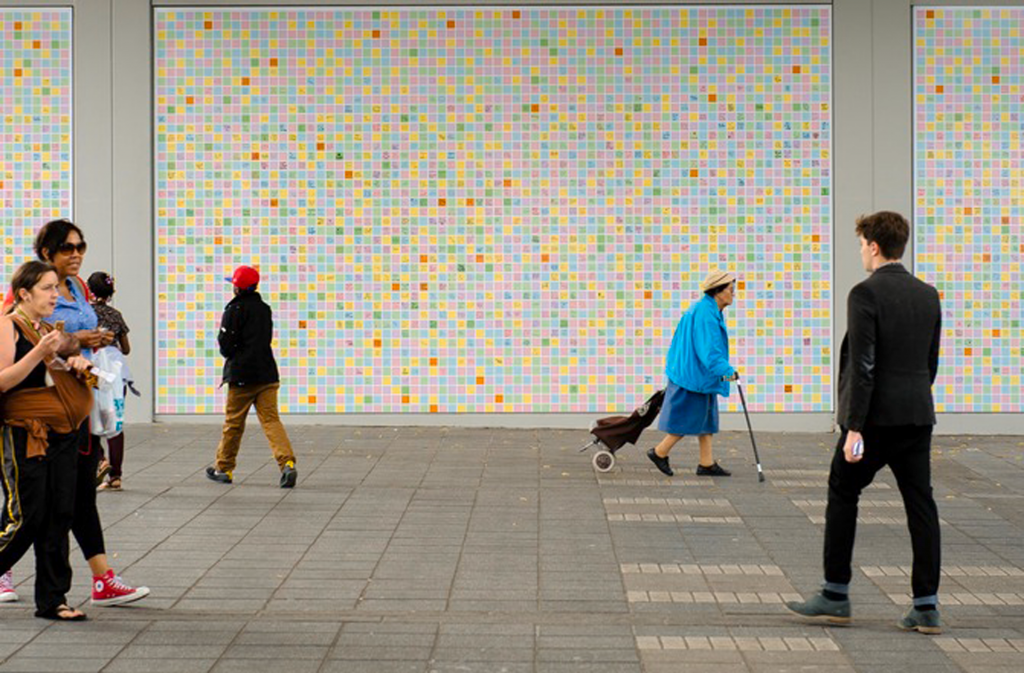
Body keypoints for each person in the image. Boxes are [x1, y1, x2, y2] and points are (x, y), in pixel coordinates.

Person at [785, 211, 943, 634]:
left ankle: (835, 594)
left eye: (860, 244)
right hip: (917, 416)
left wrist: (854, 427)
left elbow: (863, 366)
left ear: (874, 245)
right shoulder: (929, 295)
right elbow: (931, 361)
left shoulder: (864, 294)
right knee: (921, 506)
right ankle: (926, 606)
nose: (860, 251)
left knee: (842, 491)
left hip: (873, 421)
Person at [28, 219, 149, 606]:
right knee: (38, 501)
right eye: (67, 248)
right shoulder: (37, 289)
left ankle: (101, 580)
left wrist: (91, 344)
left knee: (79, 496)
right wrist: (78, 339)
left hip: (80, 403)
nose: (77, 254)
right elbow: (33, 337)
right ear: (47, 252)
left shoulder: (78, 287)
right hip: (48, 408)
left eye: (81, 246)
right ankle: (13, 577)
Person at [0, 261, 94, 620]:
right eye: (48, 288)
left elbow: (50, 375)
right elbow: (4, 381)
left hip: (61, 434)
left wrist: (74, 365)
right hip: (23, 431)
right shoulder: (9, 326)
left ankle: (53, 599)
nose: (56, 294)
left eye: (57, 287)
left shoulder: (44, 329)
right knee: (25, 515)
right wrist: (40, 352)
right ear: (24, 293)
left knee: (59, 513)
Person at [206, 265, 297, 488]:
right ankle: (288, 464)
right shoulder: (264, 308)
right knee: (271, 420)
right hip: (267, 373)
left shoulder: (234, 309)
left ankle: (224, 468)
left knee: (233, 423)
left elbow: (226, 345)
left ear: (237, 287)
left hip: (242, 376)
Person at [646, 269, 739, 478]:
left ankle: (706, 464)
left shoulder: (707, 309)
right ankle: (659, 452)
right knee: (687, 419)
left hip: (696, 374)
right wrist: (728, 372)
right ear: (718, 291)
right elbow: (710, 352)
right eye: (731, 290)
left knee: (706, 420)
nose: (734, 294)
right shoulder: (706, 315)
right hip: (692, 377)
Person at [88, 271, 132, 492]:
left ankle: (100, 460)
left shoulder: (85, 314)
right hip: (116, 371)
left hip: (92, 370)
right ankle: (116, 476)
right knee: (115, 421)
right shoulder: (116, 315)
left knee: (89, 418)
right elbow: (126, 348)